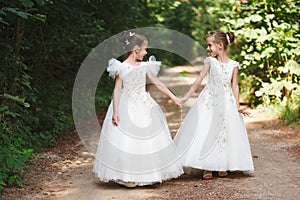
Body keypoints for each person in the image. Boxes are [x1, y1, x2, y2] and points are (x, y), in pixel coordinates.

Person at [93, 31, 184, 187]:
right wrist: (115, 111)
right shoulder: (121, 67)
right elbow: (117, 89)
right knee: (127, 140)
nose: (146, 52)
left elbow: (157, 83)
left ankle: (148, 173)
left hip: (144, 104)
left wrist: (173, 97)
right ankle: (127, 174)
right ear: (136, 49)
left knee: (147, 138)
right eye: (144, 49)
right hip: (126, 105)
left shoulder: (145, 66)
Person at [174, 30, 254, 180]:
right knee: (207, 131)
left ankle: (222, 165)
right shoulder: (210, 62)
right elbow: (198, 80)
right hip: (210, 100)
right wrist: (185, 98)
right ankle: (208, 167)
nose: (208, 48)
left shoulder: (233, 65)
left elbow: (235, 86)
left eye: (210, 45)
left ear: (220, 45)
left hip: (227, 101)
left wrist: (237, 105)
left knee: (224, 132)